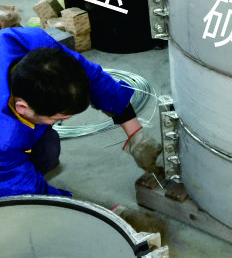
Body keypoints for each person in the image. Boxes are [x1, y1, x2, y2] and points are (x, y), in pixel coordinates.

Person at [0, 26, 162, 197]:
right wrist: (96, 209)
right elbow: (30, 192)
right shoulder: (4, 136)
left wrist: (136, 136)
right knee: (16, 184)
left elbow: (93, 79)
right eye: (56, 117)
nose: (65, 120)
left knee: (48, 148)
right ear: (22, 107)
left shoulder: (34, 44)